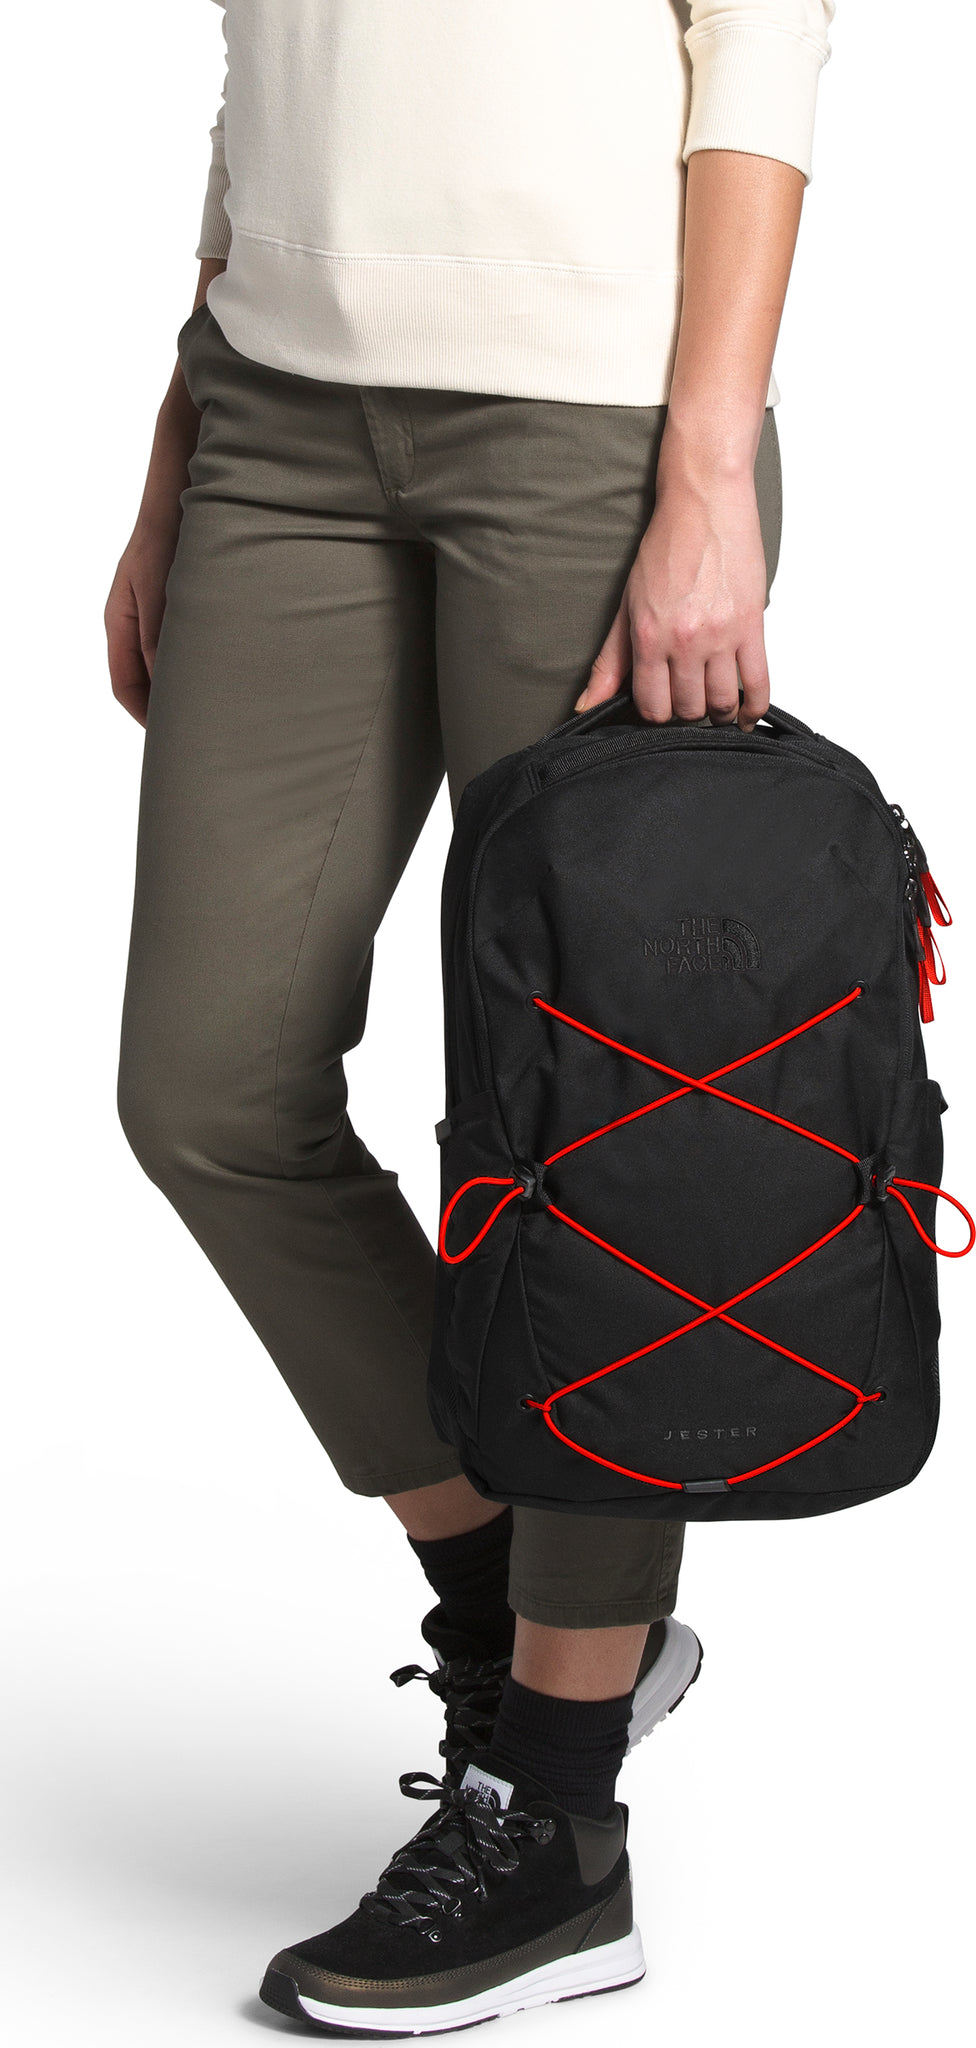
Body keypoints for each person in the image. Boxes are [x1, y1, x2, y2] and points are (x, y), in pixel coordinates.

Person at [105, 1, 835, 2032]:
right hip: (274, 412)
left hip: (591, 418)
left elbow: (759, 37)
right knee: (208, 1091)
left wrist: (706, 463)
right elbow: (274, 62)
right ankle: (529, 1609)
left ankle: (559, 1816)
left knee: (593, 1143)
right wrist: (178, 441)